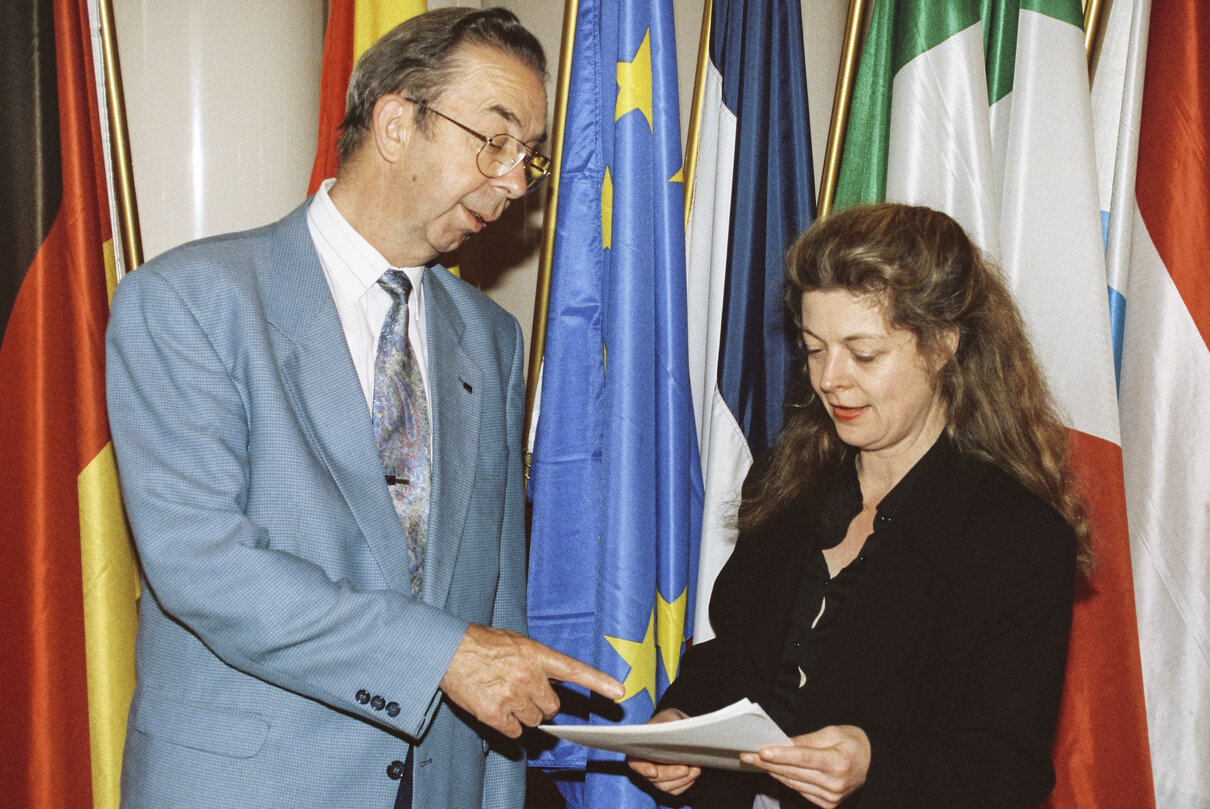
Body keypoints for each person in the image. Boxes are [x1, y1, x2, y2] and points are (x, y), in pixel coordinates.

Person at [106, 9, 622, 809]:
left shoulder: (492, 338)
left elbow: (494, 601)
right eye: (494, 140)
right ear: (394, 123)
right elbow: (203, 563)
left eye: (530, 157)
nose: (517, 182)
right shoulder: (191, 302)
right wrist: (441, 656)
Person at [628, 203, 1084, 808]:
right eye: (815, 349)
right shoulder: (786, 480)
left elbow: (1007, 770)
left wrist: (875, 764)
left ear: (943, 345)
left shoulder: (1019, 537)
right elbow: (738, 654)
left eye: (863, 354)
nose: (831, 379)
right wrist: (679, 721)